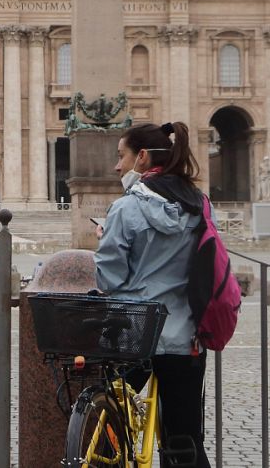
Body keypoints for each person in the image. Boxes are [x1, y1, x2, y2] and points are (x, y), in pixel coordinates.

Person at [93, 121, 212, 468]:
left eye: (121, 156)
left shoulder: (125, 209)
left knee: (109, 430)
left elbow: (109, 277)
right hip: (185, 336)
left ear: (141, 158)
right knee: (185, 439)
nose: (117, 166)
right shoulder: (201, 206)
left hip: (133, 331)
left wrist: (107, 238)